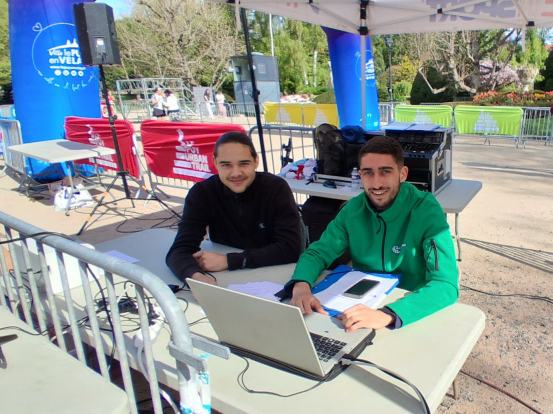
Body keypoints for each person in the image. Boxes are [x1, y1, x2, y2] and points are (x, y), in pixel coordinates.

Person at [287, 136, 459, 331]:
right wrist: (301, 286)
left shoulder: (426, 210)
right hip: (357, 304)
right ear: (360, 175)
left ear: (402, 174)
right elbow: (318, 252)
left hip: (407, 307)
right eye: (368, 173)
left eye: (385, 172)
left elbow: (446, 284)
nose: (376, 184)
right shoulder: (353, 210)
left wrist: (389, 315)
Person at [166, 131, 302, 283]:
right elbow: (179, 250)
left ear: (256, 161)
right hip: (226, 279)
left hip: (275, 275)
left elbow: (291, 248)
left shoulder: (275, 188)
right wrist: (196, 278)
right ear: (215, 162)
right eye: (226, 165)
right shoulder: (202, 193)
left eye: (244, 163)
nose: (236, 173)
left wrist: (229, 261)